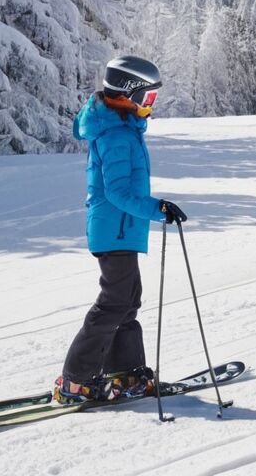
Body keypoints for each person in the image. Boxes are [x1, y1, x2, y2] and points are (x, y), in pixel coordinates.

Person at [54, 56, 187, 404]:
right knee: (113, 303)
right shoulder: (116, 136)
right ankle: (77, 380)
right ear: (129, 95)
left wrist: (153, 209)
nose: (150, 106)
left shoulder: (122, 130)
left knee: (127, 301)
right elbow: (117, 192)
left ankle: (126, 372)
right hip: (114, 229)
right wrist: (156, 209)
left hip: (120, 230)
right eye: (149, 98)